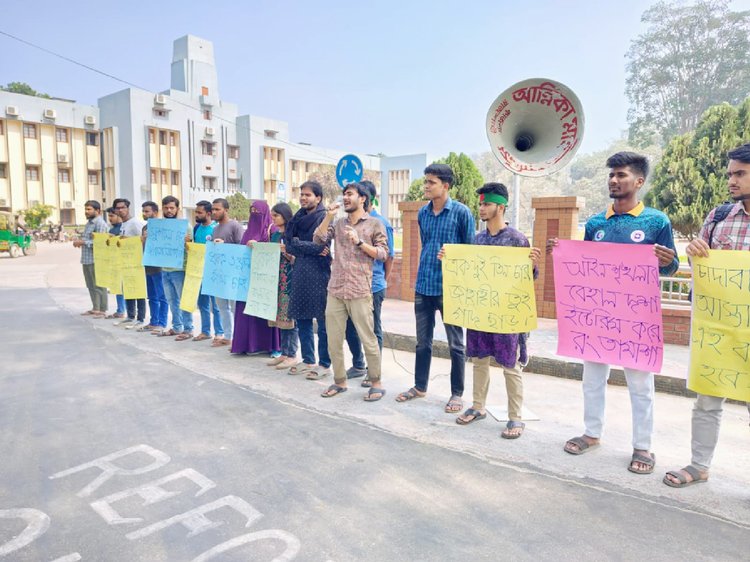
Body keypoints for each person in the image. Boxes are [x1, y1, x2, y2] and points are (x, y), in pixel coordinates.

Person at [547, 151, 679, 474]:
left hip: (636, 320)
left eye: (621, 175)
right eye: (611, 175)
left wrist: (667, 262)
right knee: (592, 378)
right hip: (598, 316)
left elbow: (672, 266)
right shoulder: (595, 223)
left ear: (639, 181)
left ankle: (643, 447)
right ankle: (592, 433)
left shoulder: (656, 222)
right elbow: (586, 267)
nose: (614, 180)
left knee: (640, 385)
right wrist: (562, 254)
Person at [664, 143, 750, 487]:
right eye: (730, 173)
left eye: (740, 173)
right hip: (721, 330)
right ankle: (699, 466)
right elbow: (699, 266)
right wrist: (696, 253)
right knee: (707, 400)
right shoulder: (718, 217)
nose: (731, 180)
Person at [447, 183, 541, 438]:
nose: (481, 208)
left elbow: (529, 278)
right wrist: (450, 260)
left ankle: (515, 417)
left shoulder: (517, 239)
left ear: (501, 206)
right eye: (480, 204)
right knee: (479, 360)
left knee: (510, 365)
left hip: (507, 314)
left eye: (486, 204)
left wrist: (532, 264)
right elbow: (468, 273)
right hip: (481, 311)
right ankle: (478, 406)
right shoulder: (477, 240)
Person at [396, 163, 475, 412]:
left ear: (446, 185)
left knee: (456, 344)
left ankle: (457, 394)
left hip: (450, 288)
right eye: (426, 181)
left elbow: (470, 252)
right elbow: (427, 244)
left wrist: (453, 255)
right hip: (424, 285)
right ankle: (420, 387)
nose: (426, 186)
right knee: (422, 342)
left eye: (431, 182)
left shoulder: (462, 213)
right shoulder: (422, 213)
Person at [314, 182, 388, 400]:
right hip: (335, 289)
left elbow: (383, 253)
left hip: (360, 290)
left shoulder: (375, 224)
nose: (345, 198)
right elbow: (318, 240)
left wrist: (360, 242)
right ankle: (339, 381)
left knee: (368, 339)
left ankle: (376, 382)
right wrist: (327, 217)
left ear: (362, 199)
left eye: (350, 194)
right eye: (344, 194)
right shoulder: (337, 224)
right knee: (333, 340)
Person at [344, 180, 395, 384]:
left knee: (372, 330)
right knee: (350, 327)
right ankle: (358, 364)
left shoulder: (380, 222)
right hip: (350, 285)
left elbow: (388, 256)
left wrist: (383, 279)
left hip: (372, 284)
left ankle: (373, 372)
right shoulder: (349, 221)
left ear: (365, 198)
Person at [285, 181, 332, 378]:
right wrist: (302, 246)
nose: (303, 198)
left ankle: (324, 363)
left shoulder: (324, 218)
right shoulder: (297, 218)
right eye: (301, 194)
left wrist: (299, 245)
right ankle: (308, 360)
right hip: (300, 272)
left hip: (319, 273)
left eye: (308, 195)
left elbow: (322, 245)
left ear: (318, 198)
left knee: (322, 322)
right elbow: (289, 245)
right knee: (302, 319)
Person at [231, 200, 280, 355]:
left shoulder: (272, 230)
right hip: (247, 279)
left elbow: (278, 250)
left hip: (265, 280)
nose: (255, 215)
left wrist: (258, 246)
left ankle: (271, 346)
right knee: (247, 314)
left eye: (258, 212)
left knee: (264, 313)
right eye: (252, 211)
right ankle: (247, 345)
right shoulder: (247, 232)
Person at [154, 195, 194, 340]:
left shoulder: (186, 226)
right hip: (165, 269)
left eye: (172, 208)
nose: (169, 210)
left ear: (177, 209)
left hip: (180, 269)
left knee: (184, 300)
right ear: (162, 209)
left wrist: (187, 242)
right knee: (171, 300)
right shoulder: (159, 226)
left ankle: (188, 329)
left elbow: (193, 249)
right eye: (166, 208)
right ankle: (177, 327)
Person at [267, 202, 300, 370]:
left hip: (290, 280)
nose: (273, 218)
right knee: (280, 317)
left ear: (285, 216)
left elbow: (298, 258)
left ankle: (292, 354)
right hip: (276, 280)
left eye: (276, 215)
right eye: (272, 215)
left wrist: (286, 252)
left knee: (290, 318)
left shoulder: (292, 235)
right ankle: (284, 352)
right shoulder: (273, 235)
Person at [209, 198, 246, 347]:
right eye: (213, 209)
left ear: (226, 210)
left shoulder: (235, 226)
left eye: (217, 209)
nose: (214, 212)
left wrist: (225, 245)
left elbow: (242, 248)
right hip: (219, 274)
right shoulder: (215, 228)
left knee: (234, 307)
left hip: (233, 274)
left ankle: (238, 336)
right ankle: (227, 335)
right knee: (221, 307)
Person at [111, 198, 146, 329]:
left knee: (139, 290)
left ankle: (140, 318)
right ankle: (130, 316)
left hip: (137, 262)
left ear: (128, 208)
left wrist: (129, 240)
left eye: (123, 207)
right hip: (126, 261)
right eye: (118, 208)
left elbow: (143, 239)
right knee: (128, 288)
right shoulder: (123, 224)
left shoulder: (135, 223)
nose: (121, 210)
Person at [192, 200, 223, 342]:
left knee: (215, 305)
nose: (196, 215)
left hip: (212, 272)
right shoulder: (196, 228)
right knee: (202, 303)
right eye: (196, 212)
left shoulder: (215, 228)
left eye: (199, 212)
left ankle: (219, 333)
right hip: (198, 271)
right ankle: (205, 331)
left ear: (208, 213)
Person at [74, 200, 109, 318]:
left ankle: (102, 309)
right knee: (90, 285)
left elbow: (101, 242)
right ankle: (95, 308)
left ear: (97, 211)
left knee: (99, 285)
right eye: (86, 209)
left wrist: (83, 242)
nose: (86, 212)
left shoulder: (100, 224)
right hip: (87, 259)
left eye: (89, 209)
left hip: (97, 259)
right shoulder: (89, 223)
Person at [138, 201, 168, 333]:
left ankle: (162, 323)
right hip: (148, 265)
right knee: (151, 296)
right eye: (143, 211)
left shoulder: (162, 227)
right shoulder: (145, 228)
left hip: (159, 267)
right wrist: (143, 240)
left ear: (155, 213)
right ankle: (153, 321)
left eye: (147, 211)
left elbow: (166, 244)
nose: (144, 214)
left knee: (162, 296)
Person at [104, 207, 126, 319]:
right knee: (117, 286)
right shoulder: (112, 230)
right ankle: (120, 309)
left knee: (123, 287)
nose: (110, 218)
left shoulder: (123, 228)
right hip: (115, 262)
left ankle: (123, 310)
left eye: (112, 216)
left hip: (124, 262)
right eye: (109, 216)